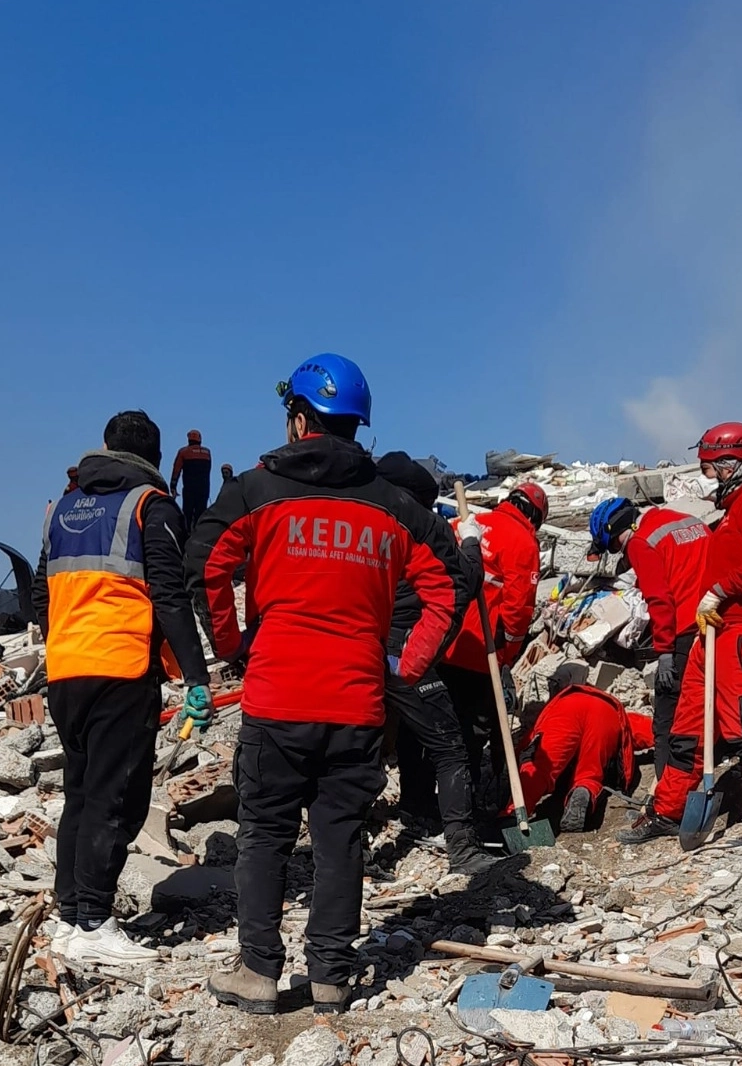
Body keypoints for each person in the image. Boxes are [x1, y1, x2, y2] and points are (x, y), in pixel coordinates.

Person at [186, 355, 471, 1015]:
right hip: (357, 702)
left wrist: (231, 645)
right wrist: (409, 664)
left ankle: (259, 973)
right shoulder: (396, 506)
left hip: (277, 698)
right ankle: (332, 978)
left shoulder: (256, 491)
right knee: (341, 837)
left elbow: (205, 566)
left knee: (264, 834)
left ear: (298, 419)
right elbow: (451, 582)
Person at [31, 412, 216, 963]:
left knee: (81, 795)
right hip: (121, 669)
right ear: (155, 458)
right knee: (117, 799)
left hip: (66, 672)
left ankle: (70, 918)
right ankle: (94, 923)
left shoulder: (62, 509)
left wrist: (65, 640)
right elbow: (170, 595)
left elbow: (39, 596)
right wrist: (196, 676)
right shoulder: (148, 506)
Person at [618, 422, 742, 844]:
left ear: (731, 463)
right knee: (688, 727)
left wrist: (720, 591)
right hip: (714, 631)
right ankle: (669, 810)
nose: (707, 477)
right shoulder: (731, 511)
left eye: (710, 469)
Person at [373, 451, 495, 875]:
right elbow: (466, 581)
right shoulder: (425, 526)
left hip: (361, 651)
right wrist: (471, 542)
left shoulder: (363, 521)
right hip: (408, 651)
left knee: (369, 745)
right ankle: (462, 848)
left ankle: (368, 836)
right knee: (448, 746)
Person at [584, 495, 715, 783]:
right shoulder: (687, 522)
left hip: (683, 631)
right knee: (706, 704)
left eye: (613, 547)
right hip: (714, 624)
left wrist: (665, 651)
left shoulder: (641, 542)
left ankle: (668, 790)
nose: (618, 553)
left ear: (615, 534)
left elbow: (659, 599)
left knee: (668, 718)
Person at [436, 482, 545, 806]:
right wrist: (505, 654)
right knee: (470, 734)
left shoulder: (464, 524)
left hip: (439, 643)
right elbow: (518, 610)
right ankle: (463, 806)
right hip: (479, 653)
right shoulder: (523, 542)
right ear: (535, 516)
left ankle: (428, 803)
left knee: (439, 726)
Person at [510, 684, 654, 832]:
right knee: (589, 774)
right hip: (605, 713)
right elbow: (653, 730)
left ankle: (512, 815)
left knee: (541, 767)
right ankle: (584, 789)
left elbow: (527, 748)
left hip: (567, 706)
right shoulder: (627, 720)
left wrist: (517, 762)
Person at [169, 429, 213, 534]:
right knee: (201, 513)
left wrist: (173, 485)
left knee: (187, 514)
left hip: (189, 489)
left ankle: (186, 535)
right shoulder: (207, 453)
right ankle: (200, 535)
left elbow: (176, 469)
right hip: (204, 489)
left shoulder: (183, 452)